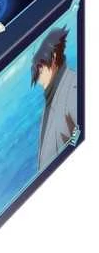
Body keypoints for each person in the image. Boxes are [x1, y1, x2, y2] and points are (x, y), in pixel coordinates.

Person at [31, 27, 78, 169]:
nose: (37, 69)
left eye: (40, 64)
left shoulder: (73, 89)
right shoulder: (52, 98)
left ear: (54, 58)